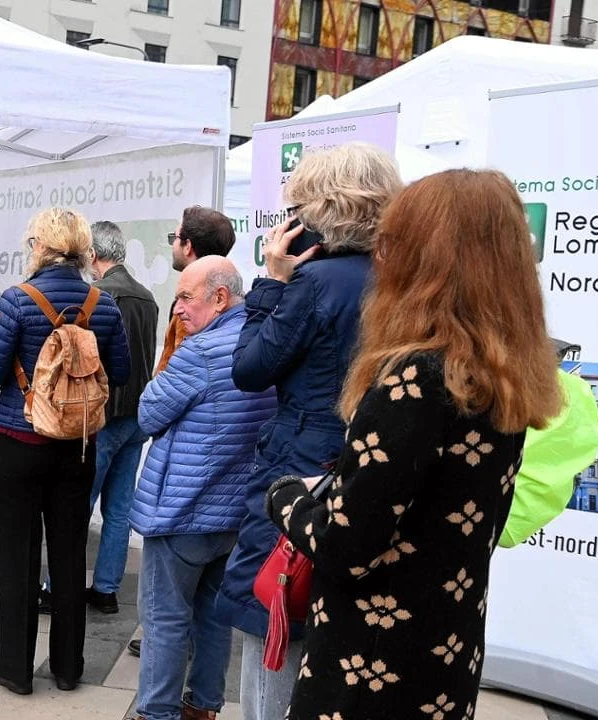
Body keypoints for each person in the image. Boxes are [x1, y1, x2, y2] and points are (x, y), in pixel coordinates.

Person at [264, 169, 562, 720]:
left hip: (370, 668)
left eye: (393, 241)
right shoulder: (499, 374)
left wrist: (286, 497)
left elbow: (344, 549)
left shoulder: (417, 379)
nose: (381, 255)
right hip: (444, 650)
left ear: (423, 257)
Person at [214, 143, 403, 720]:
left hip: (298, 468)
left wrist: (271, 280)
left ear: (316, 211)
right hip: (368, 465)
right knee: (334, 624)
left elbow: (249, 369)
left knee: (275, 616)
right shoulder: (400, 279)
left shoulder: (312, 283)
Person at [0, 207, 130, 694]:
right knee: (68, 554)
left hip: (19, 440)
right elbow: (121, 372)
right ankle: (68, 668)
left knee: (17, 555)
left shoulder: (17, 301)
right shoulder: (103, 304)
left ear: (39, 245)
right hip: (77, 444)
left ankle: (15, 670)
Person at [130, 257, 276, 720]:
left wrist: (172, 358)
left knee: (164, 619)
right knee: (213, 617)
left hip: (183, 513)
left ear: (219, 297)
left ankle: (156, 713)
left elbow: (147, 415)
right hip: (236, 514)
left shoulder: (200, 353)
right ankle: (203, 708)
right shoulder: (268, 344)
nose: (176, 308)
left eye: (186, 297)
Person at [40, 220, 157, 613]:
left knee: (77, 504)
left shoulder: (96, 298)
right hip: (137, 415)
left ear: (92, 255)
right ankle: (106, 589)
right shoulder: (147, 297)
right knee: (119, 510)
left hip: (99, 418)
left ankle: (58, 587)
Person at [155, 206, 235, 374]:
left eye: (174, 238)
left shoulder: (191, 309)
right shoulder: (232, 296)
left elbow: (178, 372)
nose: (173, 245)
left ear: (188, 246)